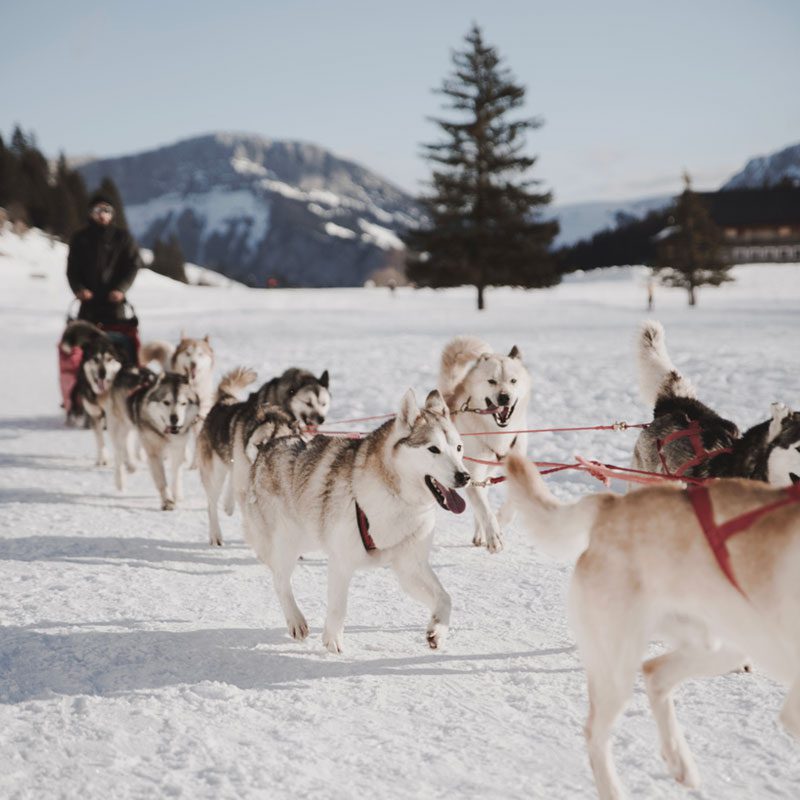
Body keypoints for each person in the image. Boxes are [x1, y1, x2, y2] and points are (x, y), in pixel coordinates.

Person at [66, 192, 143, 325]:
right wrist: (79, 289)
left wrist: (121, 289)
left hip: (114, 302)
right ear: (90, 213)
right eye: (97, 210)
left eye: (106, 210)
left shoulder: (123, 237)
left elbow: (133, 265)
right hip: (88, 302)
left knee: (116, 341)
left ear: (112, 213)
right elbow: (72, 268)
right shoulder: (80, 238)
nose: (102, 214)